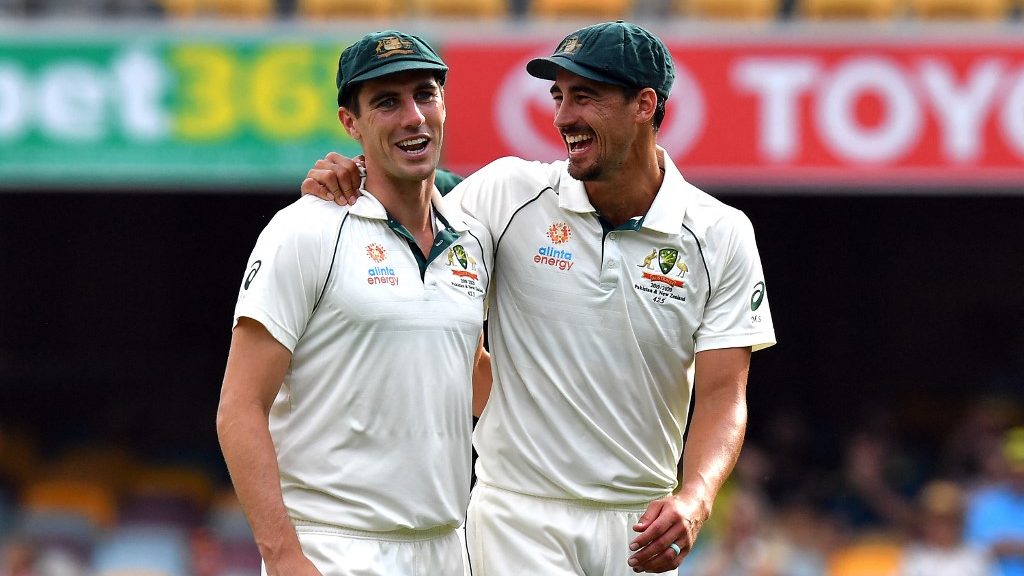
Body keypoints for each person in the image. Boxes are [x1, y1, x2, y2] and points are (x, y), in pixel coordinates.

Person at [302, 21, 776, 575]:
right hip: (519, 517)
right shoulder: (508, 193)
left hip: (644, 526)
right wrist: (356, 173)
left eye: (585, 96)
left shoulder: (721, 233)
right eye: (558, 96)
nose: (562, 117)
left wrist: (695, 497)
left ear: (644, 105)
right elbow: (414, 200)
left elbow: (722, 394)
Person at [216, 30, 492, 576]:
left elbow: (471, 373)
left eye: (425, 94)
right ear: (350, 122)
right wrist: (284, 557)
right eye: (387, 102)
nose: (413, 116)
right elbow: (239, 408)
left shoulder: (473, 234)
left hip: (445, 547)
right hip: (337, 549)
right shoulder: (304, 230)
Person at [898, 480, 994, 576]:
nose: (942, 528)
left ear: (960, 522)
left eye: (949, 521)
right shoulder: (914, 557)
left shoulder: (976, 555)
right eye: (935, 521)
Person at [965, 426, 1024, 576]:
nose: (1020, 475)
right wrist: (993, 549)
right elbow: (968, 552)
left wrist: (1015, 547)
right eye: (1014, 468)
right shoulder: (983, 505)